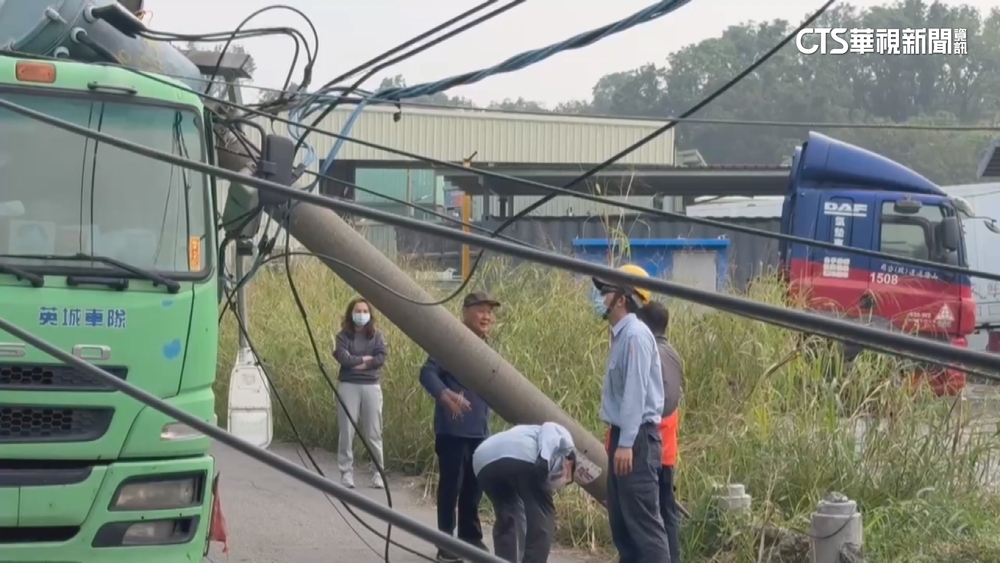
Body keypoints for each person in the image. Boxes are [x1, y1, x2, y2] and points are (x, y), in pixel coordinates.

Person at [591, 264, 669, 563]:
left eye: (604, 291)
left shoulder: (635, 335)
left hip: (636, 441)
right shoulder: (622, 335)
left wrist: (625, 443)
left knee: (644, 528)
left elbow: (635, 393)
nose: (600, 297)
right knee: (624, 527)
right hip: (625, 436)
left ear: (622, 298)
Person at [419, 291, 499, 562]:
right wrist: (444, 395)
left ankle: (470, 538)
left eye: (490, 311)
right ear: (465, 312)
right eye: (481, 310)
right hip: (452, 432)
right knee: (451, 486)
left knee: (474, 489)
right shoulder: (451, 343)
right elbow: (427, 373)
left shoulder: (490, 347)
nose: (486, 316)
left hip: (480, 432)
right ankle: (446, 542)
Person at [472, 422, 576, 563]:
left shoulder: (525, 431)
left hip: (482, 460)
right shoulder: (568, 446)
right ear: (568, 464)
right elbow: (550, 426)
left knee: (510, 514)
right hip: (523, 455)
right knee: (543, 516)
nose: (560, 485)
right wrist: (544, 457)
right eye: (565, 481)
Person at [636, 300, 683, 563]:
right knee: (668, 514)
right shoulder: (674, 354)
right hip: (668, 450)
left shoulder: (650, 352)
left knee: (651, 518)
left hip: (651, 448)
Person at [332, 297, 388, 489]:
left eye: (365, 311)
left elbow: (381, 357)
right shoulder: (343, 336)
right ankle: (346, 471)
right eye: (358, 311)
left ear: (370, 315)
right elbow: (343, 359)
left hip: (371, 386)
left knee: (374, 432)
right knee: (347, 429)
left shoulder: (377, 336)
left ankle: (378, 472)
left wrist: (359, 362)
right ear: (351, 313)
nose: (361, 314)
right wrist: (365, 360)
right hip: (348, 385)